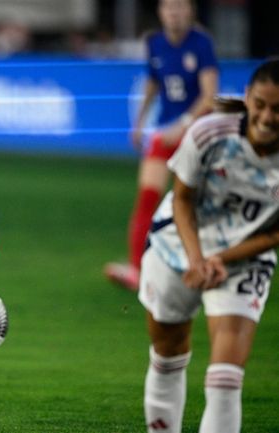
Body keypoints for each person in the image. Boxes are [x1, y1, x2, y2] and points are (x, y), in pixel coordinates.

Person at [138, 59, 279, 433]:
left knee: (226, 378)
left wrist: (221, 259)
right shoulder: (209, 133)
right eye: (261, 105)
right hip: (177, 245)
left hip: (244, 259)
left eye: (278, 110)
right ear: (248, 98)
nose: (267, 117)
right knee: (168, 352)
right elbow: (182, 198)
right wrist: (198, 259)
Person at [104, 0, 219, 291]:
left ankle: (204, 265)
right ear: (160, 12)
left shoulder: (202, 43)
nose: (175, 13)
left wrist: (183, 125)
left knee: (194, 203)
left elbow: (209, 96)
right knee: (146, 199)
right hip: (165, 135)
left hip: (195, 136)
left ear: (190, 10)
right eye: (170, 7)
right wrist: (141, 121)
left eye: (180, 7)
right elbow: (153, 83)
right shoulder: (154, 43)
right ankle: (137, 270)